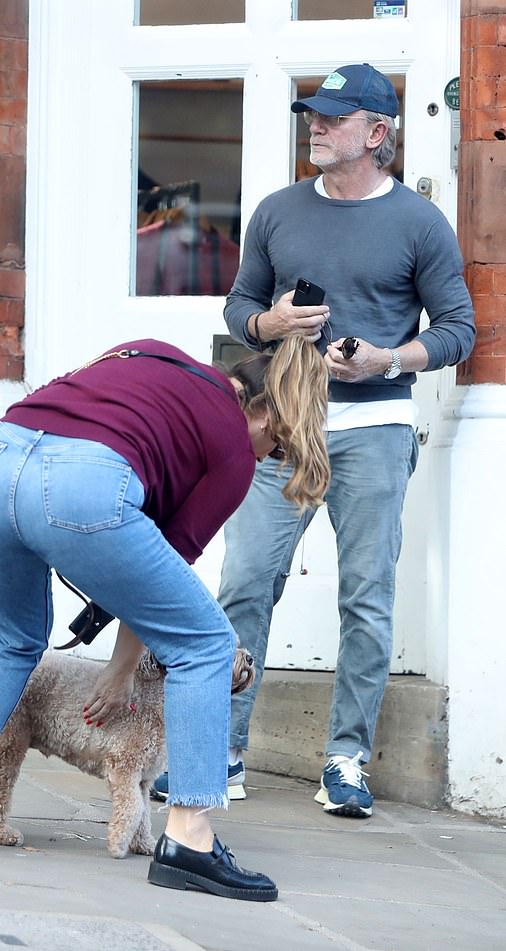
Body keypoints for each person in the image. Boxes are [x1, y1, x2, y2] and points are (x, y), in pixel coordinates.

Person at [154, 64, 476, 817]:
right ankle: (220, 753)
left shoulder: (420, 224)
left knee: (366, 596)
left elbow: (458, 331)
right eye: (313, 115)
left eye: (333, 118)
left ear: (377, 133)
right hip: (281, 431)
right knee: (244, 586)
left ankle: (346, 759)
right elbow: (239, 306)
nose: (316, 127)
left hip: (375, 428)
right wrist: (270, 325)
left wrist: (386, 359)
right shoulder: (277, 211)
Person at [0, 335, 330, 902]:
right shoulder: (232, 447)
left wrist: (121, 667)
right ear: (263, 414)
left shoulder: (149, 349)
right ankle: (191, 838)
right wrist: (121, 669)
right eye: (276, 447)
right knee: (207, 642)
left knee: (13, 634)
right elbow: (165, 576)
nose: (268, 459)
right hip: (82, 483)